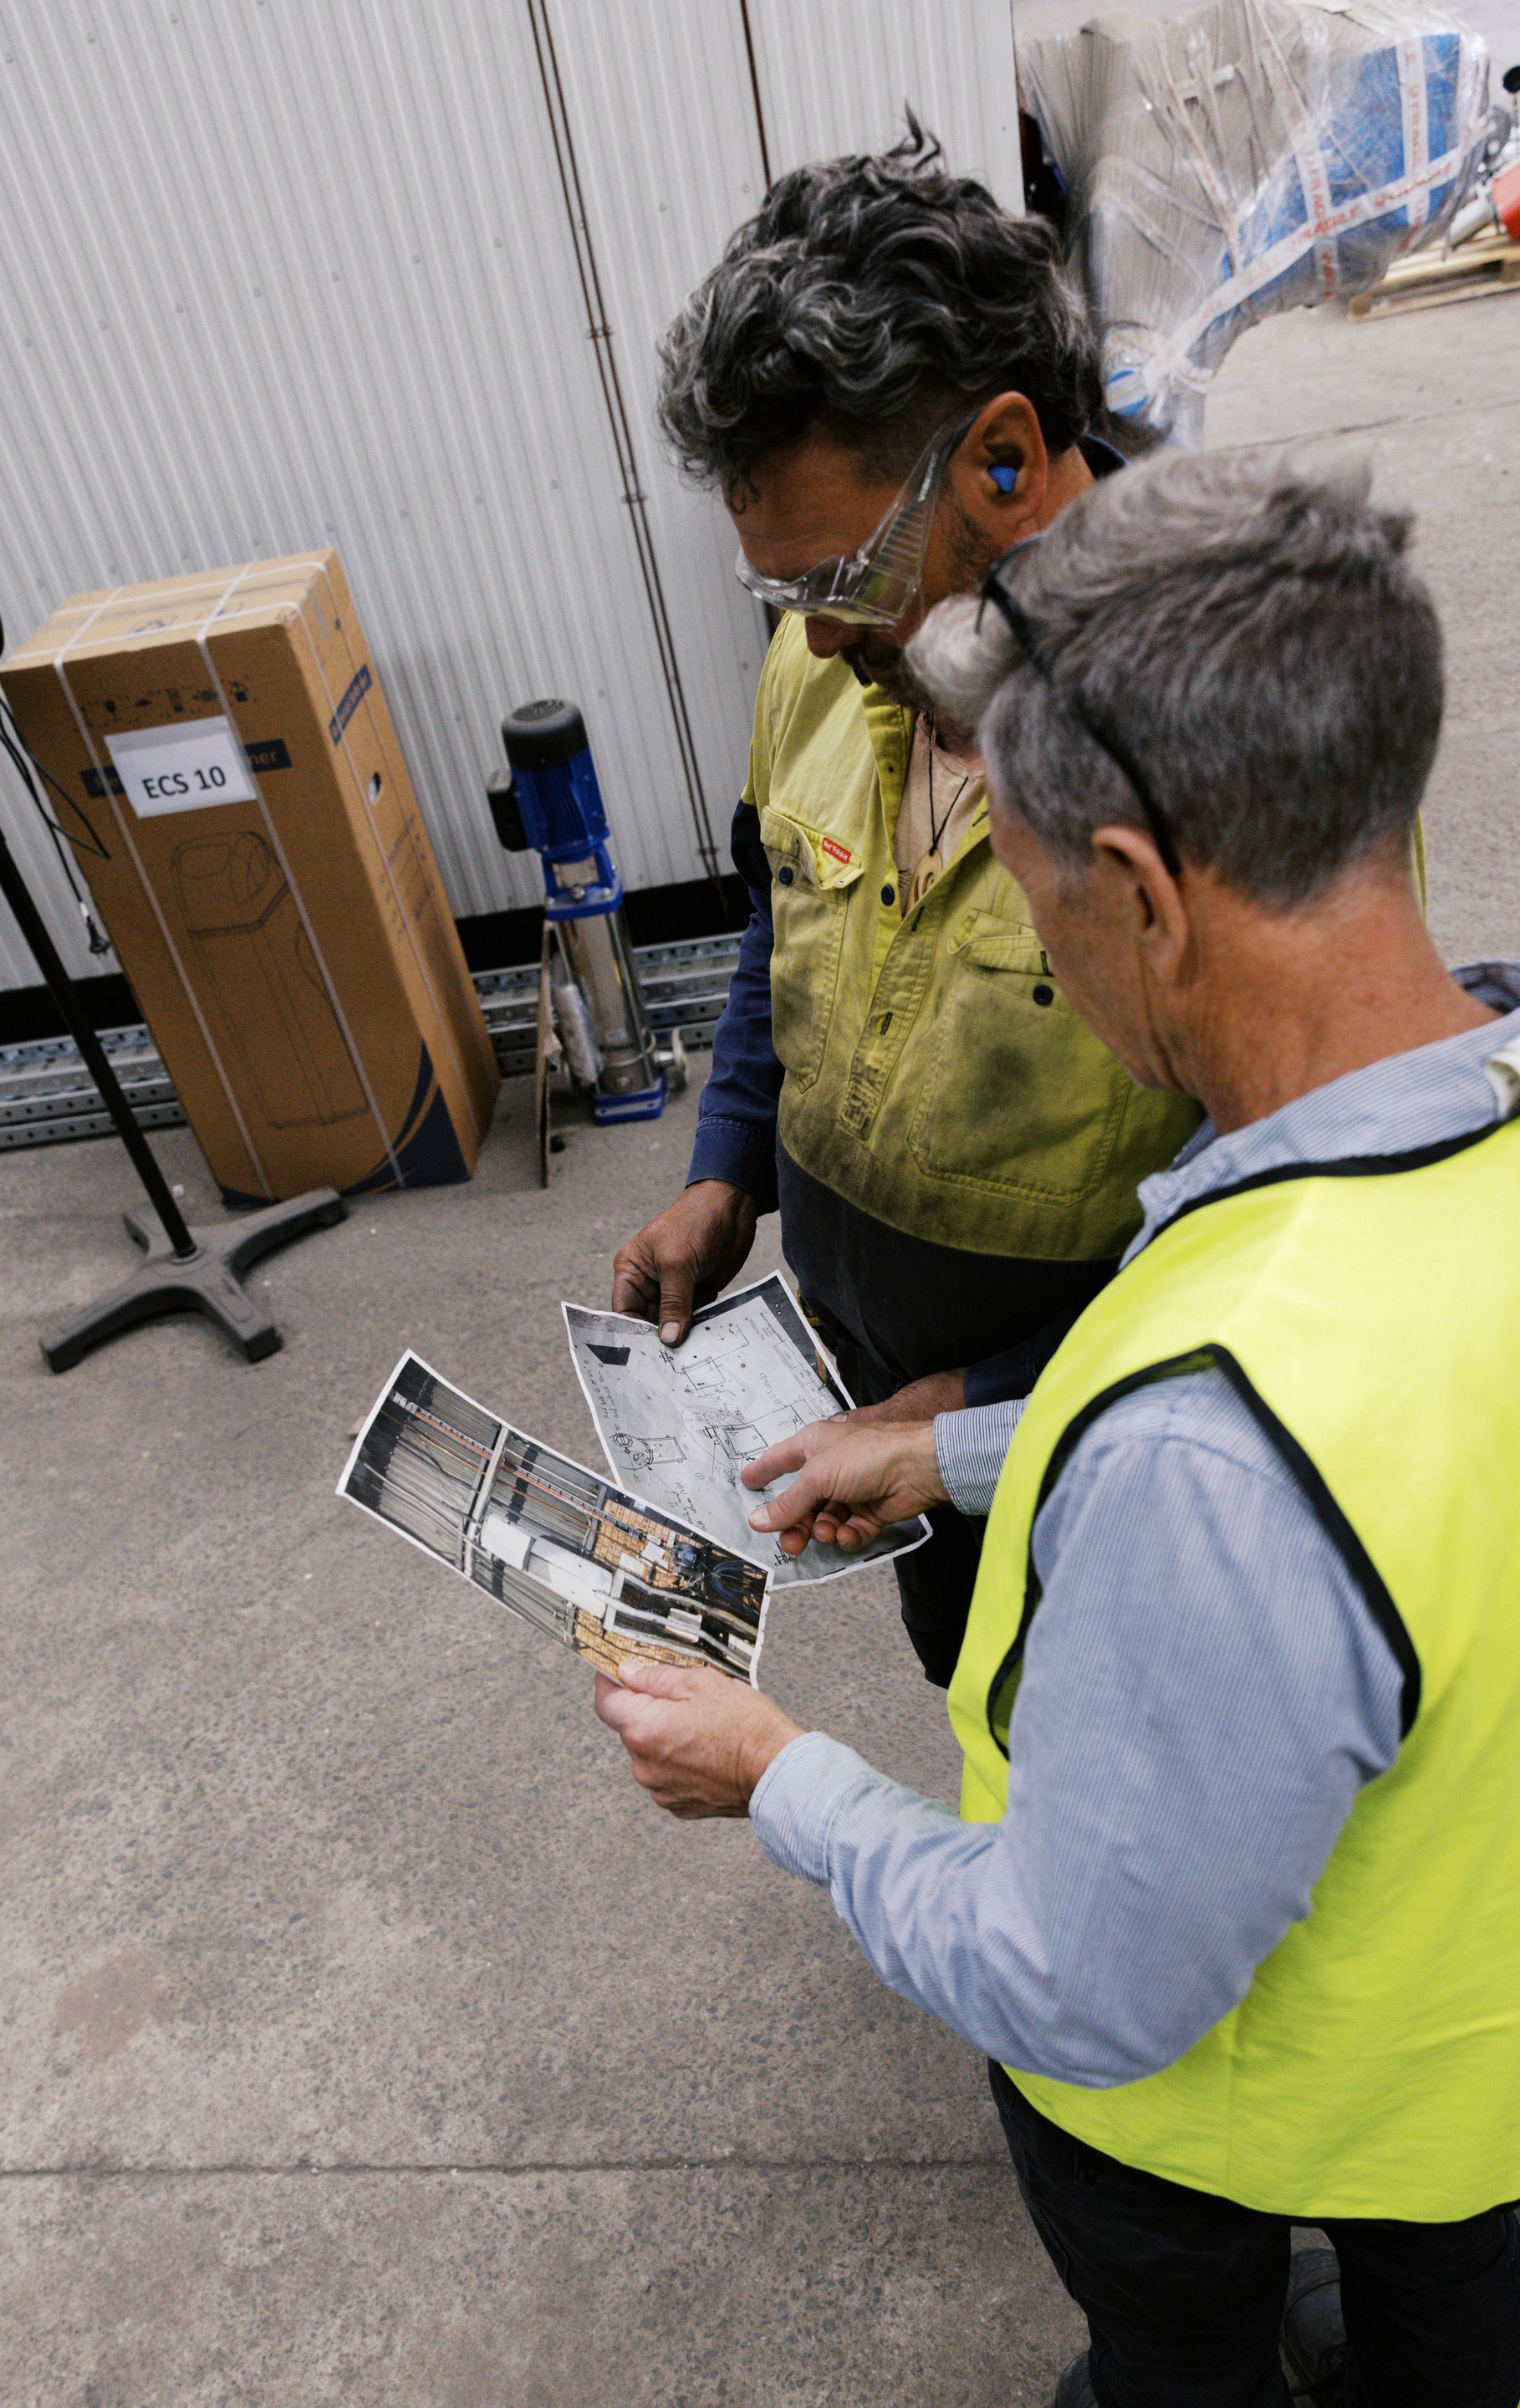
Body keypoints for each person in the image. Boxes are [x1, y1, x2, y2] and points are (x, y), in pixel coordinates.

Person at [595, 448, 1520, 2408]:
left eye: (1027, 911)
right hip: (1474, 2103)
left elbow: (1073, 1982)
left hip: (1227, 2120)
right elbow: (1383, 1458)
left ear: (1139, 897)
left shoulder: (1219, 1443)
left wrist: (780, 1780)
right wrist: (943, 1455)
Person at [611, 125, 1200, 1687]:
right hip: (876, 1395)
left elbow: (1285, 1207)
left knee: (1129, 1734)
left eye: (838, 577)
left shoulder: (1224, 734)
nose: (811, 632)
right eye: (775, 592)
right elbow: (779, 919)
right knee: (982, 1691)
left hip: (1110, 1435)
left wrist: (979, 1408)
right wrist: (725, 1172)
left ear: (1005, 458)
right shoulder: (832, 658)